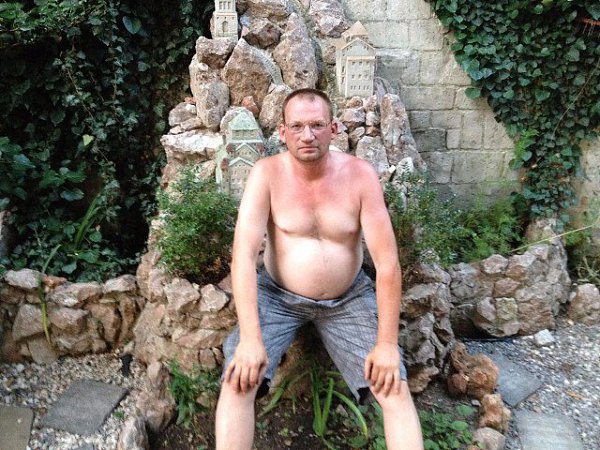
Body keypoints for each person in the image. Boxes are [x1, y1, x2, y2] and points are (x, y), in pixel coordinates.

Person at [215, 88, 424, 450]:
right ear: (283, 132)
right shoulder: (266, 174)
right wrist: (250, 338)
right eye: (297, 126)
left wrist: (387, 344)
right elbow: (243, 256)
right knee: (239, 379)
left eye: (316, 125)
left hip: (348, 299)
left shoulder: (360, 176)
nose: (307, 135)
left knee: (393, 385)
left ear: (334, 128)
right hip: (277, 297)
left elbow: (388, 263)